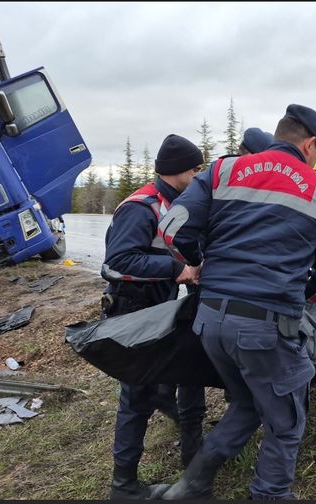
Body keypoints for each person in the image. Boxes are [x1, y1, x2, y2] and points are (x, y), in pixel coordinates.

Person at [156, 104, 316, 499]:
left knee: (247, 400)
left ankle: (192, 485)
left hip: (211, 321)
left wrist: (199, 264)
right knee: (286, 419)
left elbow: (172, 228)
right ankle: (270, 494)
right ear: (310, 143)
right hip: (266, 326)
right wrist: (299, 297)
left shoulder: (223, 170)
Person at [101, 133, 206, 500]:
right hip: (134, 310)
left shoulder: (173, 203)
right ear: (179, 171)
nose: (199, 176)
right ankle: (124, 486)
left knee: (160, 383)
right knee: (135, 399)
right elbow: (117, 262)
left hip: (160, 307)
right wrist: (177, 268)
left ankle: (177, 422)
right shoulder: (141, 207)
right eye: (196, 169)